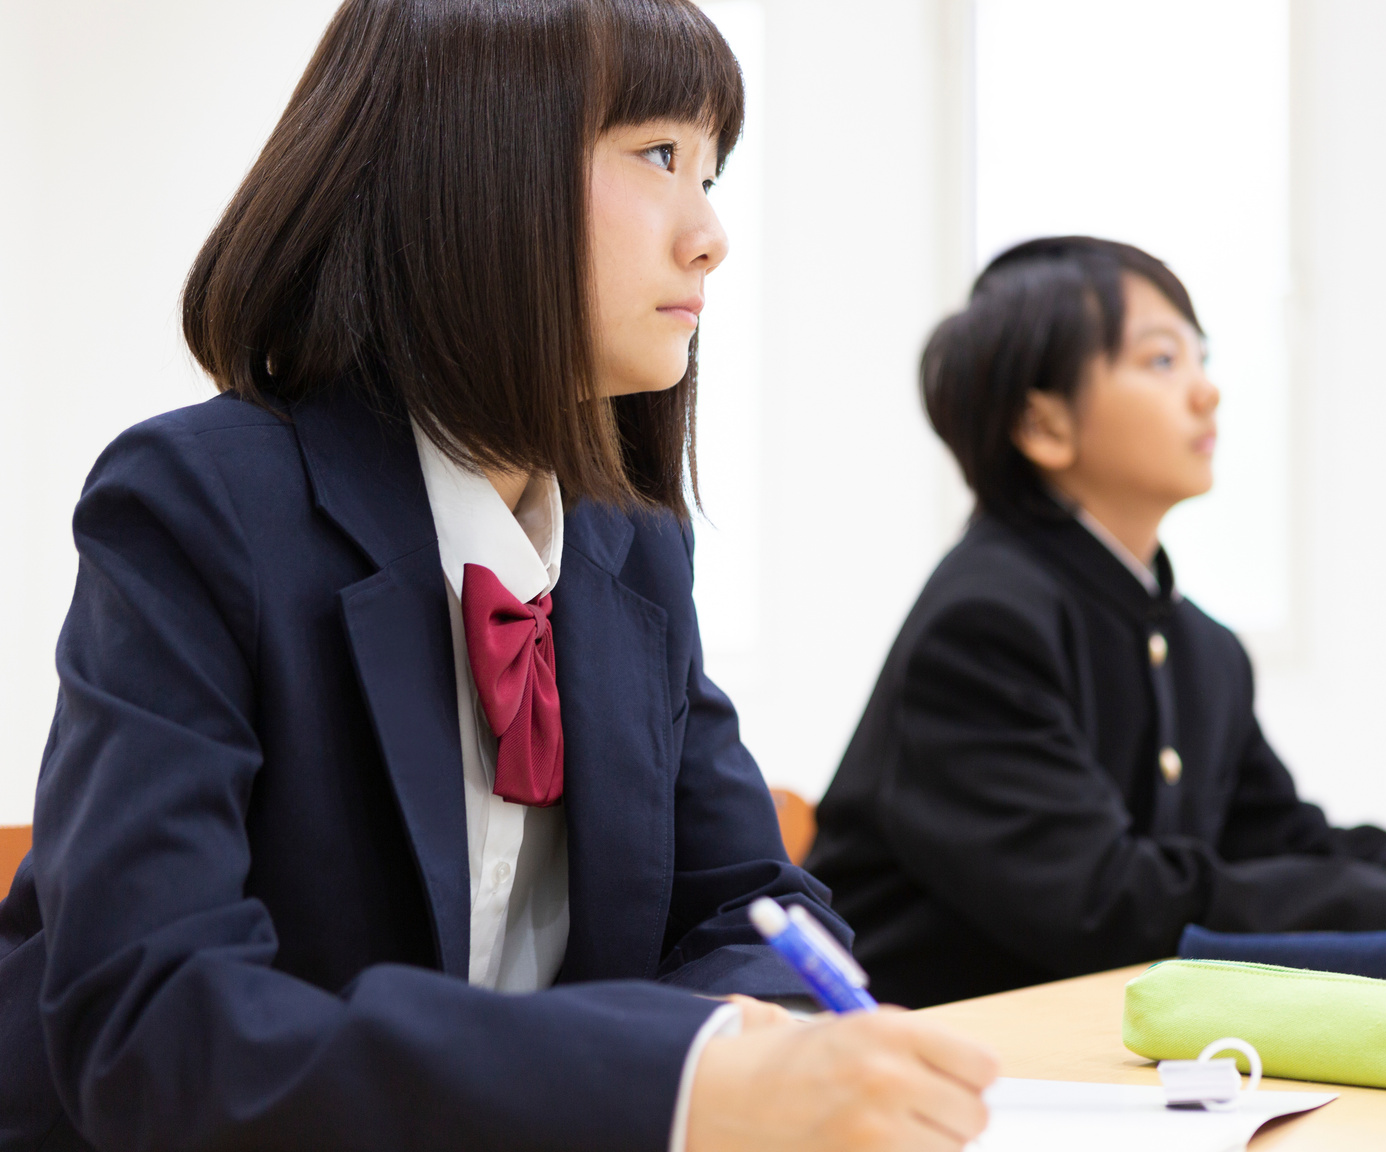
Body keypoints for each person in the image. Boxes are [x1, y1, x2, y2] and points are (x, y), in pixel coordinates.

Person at [0, 2, 995, 1149]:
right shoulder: (199, 502)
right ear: (476, 166)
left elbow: (757, 910)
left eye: (714, 176)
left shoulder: (634, 547)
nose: (711, 234)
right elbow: (155, 1025)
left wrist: (725, 1051)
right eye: (661, 156)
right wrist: (673, 1080)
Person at [805, 236, 1386, 1009]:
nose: (1208, 389)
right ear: (1044, 423)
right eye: (1161, 360)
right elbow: (1105, 903)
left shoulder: (1202, 645)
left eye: (1200, 358)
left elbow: (1279, 841)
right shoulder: (985, 620)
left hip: (1108, 1060)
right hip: (943, 1070)